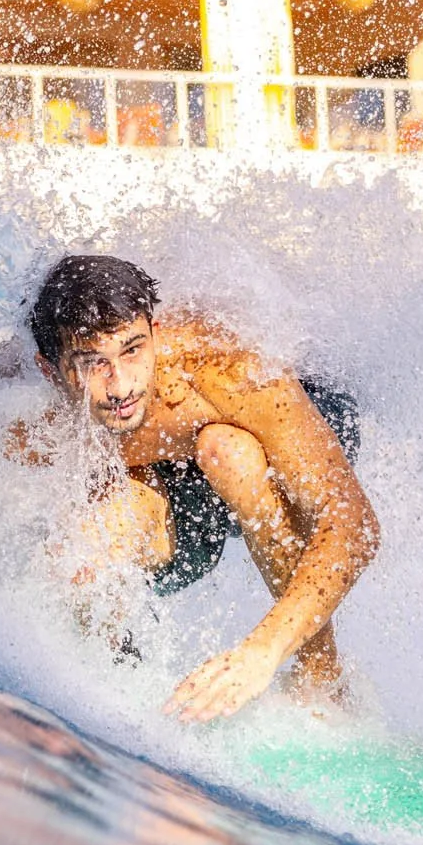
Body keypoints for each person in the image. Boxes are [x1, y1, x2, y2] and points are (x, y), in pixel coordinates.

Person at [23, 255, 381, 725]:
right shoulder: (23, 413)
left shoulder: (224, 368)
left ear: (154, 332)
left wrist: (260, 653)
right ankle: (125, 691)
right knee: (85, 548)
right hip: (175, 480)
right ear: (51, 371)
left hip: (292, 421)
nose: (121, 385)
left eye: (133, 350)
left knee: (227, 450)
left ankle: (323, 680)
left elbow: (354, 525)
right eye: (93, 364)